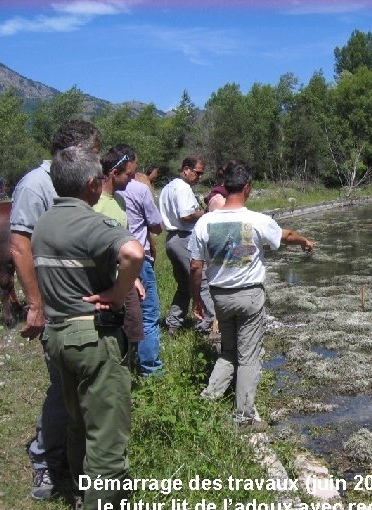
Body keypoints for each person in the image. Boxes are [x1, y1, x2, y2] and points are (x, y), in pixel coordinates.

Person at [32, 145, 144, 510]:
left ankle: (82, 492)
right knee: (107, 432)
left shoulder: (44, 223)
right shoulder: (90, 222)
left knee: (78, 421)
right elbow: (133, 252)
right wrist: (117, 292)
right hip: (93, 337)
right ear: (93, 185)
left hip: (59, 335)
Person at [9, 119, 102, 500]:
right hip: (56, 305)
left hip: (81, 304)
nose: (99, 158)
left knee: (77, 386)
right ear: (77, 149)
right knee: (61, 385)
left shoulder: (70, 182)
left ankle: (73, 458)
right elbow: (19, 246)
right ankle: (45, 461)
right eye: (95, 150)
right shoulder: (36, 185)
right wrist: (36, 304)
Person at [189, 160, 315, 430]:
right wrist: (304, 241)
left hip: (220, 296)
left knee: (229, 350)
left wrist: (197, 299)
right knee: (249, 357)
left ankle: (206, 401)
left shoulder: (205, 223)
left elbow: (195, 266)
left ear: (225, 187)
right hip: (249, 297)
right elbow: (286, 235)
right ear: (247, 187)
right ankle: (245, 418)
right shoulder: (258, 220)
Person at [95, 146, 145, 357]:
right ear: (114, 173)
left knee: (133, 325)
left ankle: (128, 370)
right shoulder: (95, 204)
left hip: (124, 275)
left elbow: (125, 239)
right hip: (104, 278)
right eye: (129, 175)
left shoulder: (120, 201)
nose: (131, 180)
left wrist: (134, 277)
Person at [119, 156, 165, 376]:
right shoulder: (139, 189)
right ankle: (151, 369)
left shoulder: (102, 192)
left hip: (114, 259)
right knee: (148, 314)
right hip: (139, 258)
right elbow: (156, 228)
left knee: (121, 312)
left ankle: (123, 364)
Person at [158, 156, 214, 335]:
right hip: (183, 238)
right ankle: (209, 324)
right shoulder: (182, 188)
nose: (199, 177)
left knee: (184, 286)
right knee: (202, 280)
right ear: (186, 170)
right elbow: (185, 215)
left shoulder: (168, 187)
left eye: (201, 174)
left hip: (172, 240)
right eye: (197, 173)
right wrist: (206, 212)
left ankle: (173, 324)